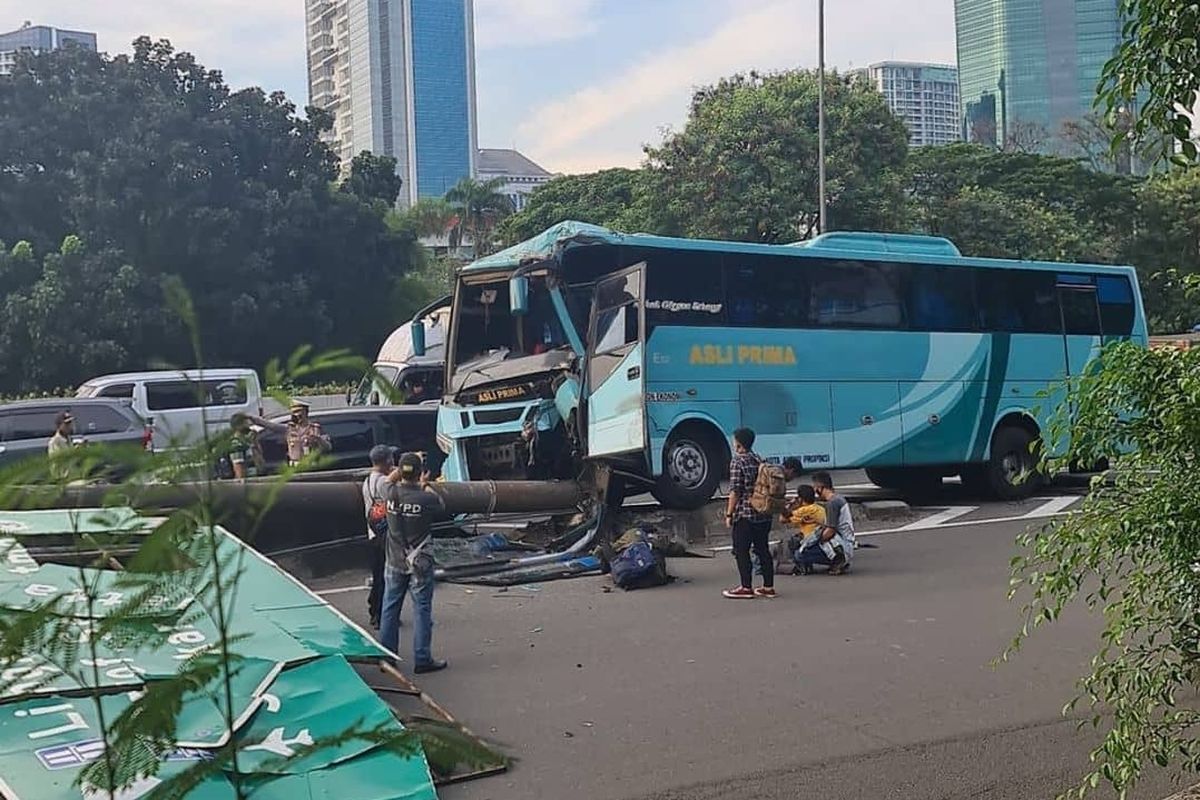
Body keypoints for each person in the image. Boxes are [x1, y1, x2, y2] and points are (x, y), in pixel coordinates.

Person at [379, 452, 447, 674]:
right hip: (419, 561)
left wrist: (403, 467)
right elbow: (441, 506)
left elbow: (389, 479)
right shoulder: (426, 498)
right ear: (420, 473)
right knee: (422, 609)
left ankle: (388, 657)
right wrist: (425, 485)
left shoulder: (389, 492)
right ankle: (422, 658)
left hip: (394, 559)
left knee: (390, 607)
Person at [723, 427, 776, 599]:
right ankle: (768, 586)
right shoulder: (758, 458)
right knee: (762, 549)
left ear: (738, 443)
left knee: (741, 550)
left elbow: (735, 491)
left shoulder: (738, 461)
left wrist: (729, 514)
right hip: (764, 512)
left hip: (746, 513)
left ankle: (746, 587)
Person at [797, 471, 855, 575]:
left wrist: (812, 542)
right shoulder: (839, 499)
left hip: (842, 545)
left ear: (820, 487)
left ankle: (837, 560)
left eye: (815, 487)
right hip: (846, 542)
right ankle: (837, 560)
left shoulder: (832, 504)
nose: (815, 491)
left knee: (800, 554)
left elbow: (830, 531)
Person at [363, 445, 393, 629]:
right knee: (384, 577)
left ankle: (375, 611)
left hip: (373, 533)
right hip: (383, 534)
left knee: (378, 574)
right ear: (387, 460)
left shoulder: (368, 481)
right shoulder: (383, 482)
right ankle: (379, 615)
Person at [253, 401, 331, 466]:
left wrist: (318, 439)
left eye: (299, 412)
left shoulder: (314, 428)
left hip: (311, 466)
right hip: (295, 466)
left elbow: (328, 447)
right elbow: (270, 425)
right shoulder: (289, 429)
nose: (297, 415)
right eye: (294, 413)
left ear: (305, 412)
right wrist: (252, 419)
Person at [224, 413, 263, 480]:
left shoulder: (247, 442)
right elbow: (239, 469)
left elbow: (260, 462)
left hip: (255, 480)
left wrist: (255, 443)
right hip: (248, 484)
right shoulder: (236, 444)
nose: (249, 426)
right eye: (246, 423)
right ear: (239, 426)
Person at [47, 411, 74, 480]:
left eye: (70, 423)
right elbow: (57, 462)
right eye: (67, 424)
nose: (70, 426)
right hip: (62, 479)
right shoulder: (55, 442)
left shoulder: (68, 439)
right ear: (59, 425)